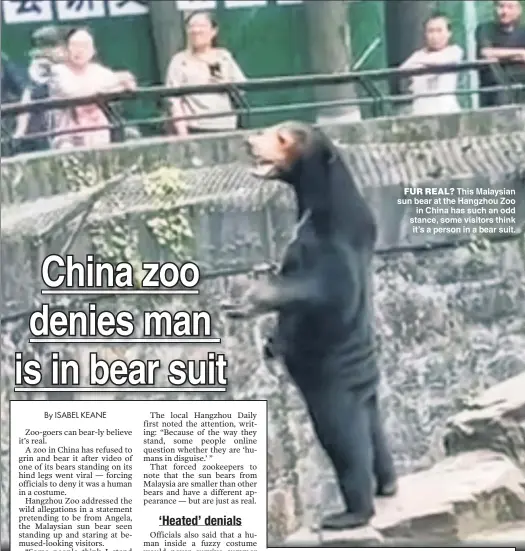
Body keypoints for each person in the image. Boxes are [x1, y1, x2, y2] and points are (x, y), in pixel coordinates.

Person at [49, 27, 137, 149]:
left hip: (99, 130)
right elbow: (74, 92)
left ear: (93, 50)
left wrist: (119, 83)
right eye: (75, 45)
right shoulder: (59, 71)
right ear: (66, 49)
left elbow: (128, 82)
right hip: (68, 136)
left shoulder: (98, 70)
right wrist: (112, 83)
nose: (79, 50)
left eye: (85, 46)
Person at [165, 11, 246, 136]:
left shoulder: (223, 56)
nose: (195, 30)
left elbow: (242, 87)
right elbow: (174, 100)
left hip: (227, 124)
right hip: (196, 126)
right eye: (191, 26)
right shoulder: (179, 60)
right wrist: (183, 133)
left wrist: (228, 83)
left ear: (213, 31)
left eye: (201, 26)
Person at [12, 26, 68, 154]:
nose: (43, 51)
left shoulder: (73, 63)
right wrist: (20, 131)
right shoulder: (37, 66)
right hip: (40, 125)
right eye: (41, 46)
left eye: (48, 45)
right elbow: (28, 96)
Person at [400, 12, 463, 116]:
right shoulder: (418, 55)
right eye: (431, 31)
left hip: (447, 112)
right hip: (421, 111)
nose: (435, 36)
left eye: (439, 30)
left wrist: (421, 63)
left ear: (449, 33)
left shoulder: (455, 51)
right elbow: (403, 70)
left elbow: (442, 62)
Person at [475, 0, 525, 107]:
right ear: (494, 8)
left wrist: (499, 55)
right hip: (494, 91)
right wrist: (520, 53)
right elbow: (486, 52)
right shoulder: (485, 29)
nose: (504, 11)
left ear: (519, 10)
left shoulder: (523, 32)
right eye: (501, 6)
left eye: (510, 7)